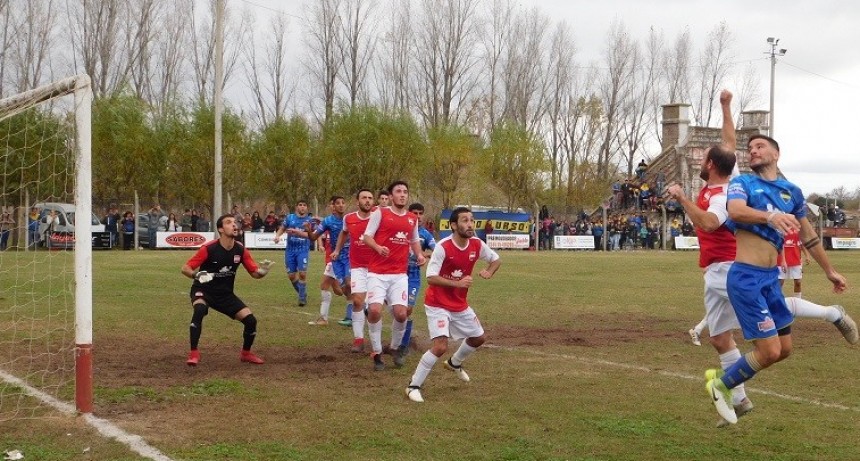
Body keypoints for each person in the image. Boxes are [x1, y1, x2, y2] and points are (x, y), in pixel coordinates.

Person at [704, 130, 859, 425]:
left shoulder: (792, 192)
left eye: (760, 146)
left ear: (776, 154)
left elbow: (809, 235)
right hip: (746, 277)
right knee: (769, 350)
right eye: (750, 148)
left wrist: (830, 271)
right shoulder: (743, 183)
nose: (753, 151)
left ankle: (726, 381)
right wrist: (770, 217)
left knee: (783, 351)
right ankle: (721, 386)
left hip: (770, 278)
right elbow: (735, 210)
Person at [405, 207, 501, 403]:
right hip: (437, 303)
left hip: (459, 304)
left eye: (472, 220)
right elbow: (431, 277)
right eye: (465, 220)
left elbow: (496, 259)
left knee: (478, 338)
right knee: (440, 346)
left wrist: (490, 272)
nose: (470, 224)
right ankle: (413, 386)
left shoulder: (476, 244)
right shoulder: (443, 247)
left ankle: (454, 363)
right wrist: (457, 283)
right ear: (454, 225)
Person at [181, 214, 274, 366]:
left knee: (251, 321)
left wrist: (262, 272)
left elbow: (254, 274)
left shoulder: (240, 250)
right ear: (220, 229)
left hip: (225, 294)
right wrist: (195, 274)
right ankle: (194, 354)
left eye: (235, 222)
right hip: (204, 290)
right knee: (199, 310)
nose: (234, 225)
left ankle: (246, 353)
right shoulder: (208, 249)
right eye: (229, 222)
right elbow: (185, 268)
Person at [362, 181, 426, 371]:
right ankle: (377, 353)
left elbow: (414, 240)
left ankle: (396, 348)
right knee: (374, 311)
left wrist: (420, 255)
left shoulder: (411, 218)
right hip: (377, 273)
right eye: (398, 191)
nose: (402, 195)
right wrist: (377, 247)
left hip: (399, 275)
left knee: (401, 313)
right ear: (390, 196)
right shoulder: (380, 213)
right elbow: (367, 236)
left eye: (405, 192)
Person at [332, 189, 376, 352]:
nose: (367, 200)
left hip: (376, 267)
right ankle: (358, 339)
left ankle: (377, 341)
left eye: (370, 198)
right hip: (357, 266)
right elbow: (344, 234)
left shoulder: (378, 217)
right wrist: (337, 249)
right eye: (364, 198)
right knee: (357, 300)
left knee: (374, 307)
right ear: (357, 201)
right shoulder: (349, 218)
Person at [306, 196, 352, 326]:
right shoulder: (328, 221)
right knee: (331, 287)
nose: (341, 205)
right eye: (338, 203)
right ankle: (324, 319)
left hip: (349, 258)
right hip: (335, 259)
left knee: (347, 287)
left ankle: (357, 312)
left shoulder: (350, 219)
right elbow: (314, 237)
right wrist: (309, 230)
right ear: (333, 205)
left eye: (343, 203)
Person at [402, 203, 436, 355]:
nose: (418, 216)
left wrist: (427, 255)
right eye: (414, 212)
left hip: (413, 277)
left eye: (420, 213)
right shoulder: (400, 229)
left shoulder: (426, 235)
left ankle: (405, 343)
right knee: (394, 308)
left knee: (407, 309)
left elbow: (438, 250)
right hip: (395, 274)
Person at [273, 200, 313, 306]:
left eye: (304, 205)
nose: (302, 207)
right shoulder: (290, 218)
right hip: (290, 250)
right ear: (296, 207)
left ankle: (301, 299)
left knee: (302, 274)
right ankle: (302, 293)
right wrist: (277, 236)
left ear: (307, 208)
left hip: (303, 250)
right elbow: (282, 228)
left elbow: (312, 235)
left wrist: (298, 233)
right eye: (300, 205)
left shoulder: (309, 220)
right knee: (291, 276)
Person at [778, 229, 808, 298]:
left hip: (796, 260)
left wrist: (807, 256)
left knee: (798, 282)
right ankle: (777, 300)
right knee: (780, 282)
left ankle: (798, 300)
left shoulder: (797, 231)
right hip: (781, 261)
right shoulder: (779, 230)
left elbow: (801, 244)